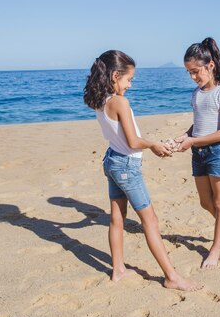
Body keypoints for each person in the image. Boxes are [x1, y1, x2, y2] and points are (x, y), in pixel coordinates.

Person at [84, 50, 202, 291]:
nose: (130, 85)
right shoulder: (119, 102)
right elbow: (133, 142)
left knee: (117, 218)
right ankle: (171, 276)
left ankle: (118, 270)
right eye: (129, 80)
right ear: (115, 76)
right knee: (150, 221)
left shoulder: (101, 99)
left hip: (111, 161)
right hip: (126, 166)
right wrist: (154, 145)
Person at [175, 38, 220, 270]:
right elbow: (199, 124)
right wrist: (185, 137)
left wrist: (194, 140)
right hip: (198, 152)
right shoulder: (196, 93)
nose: (193, 77)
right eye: (189, 73)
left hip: (218, 152)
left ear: (210, 65)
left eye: (196, 71)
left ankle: (215, 249)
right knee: (206, 202)